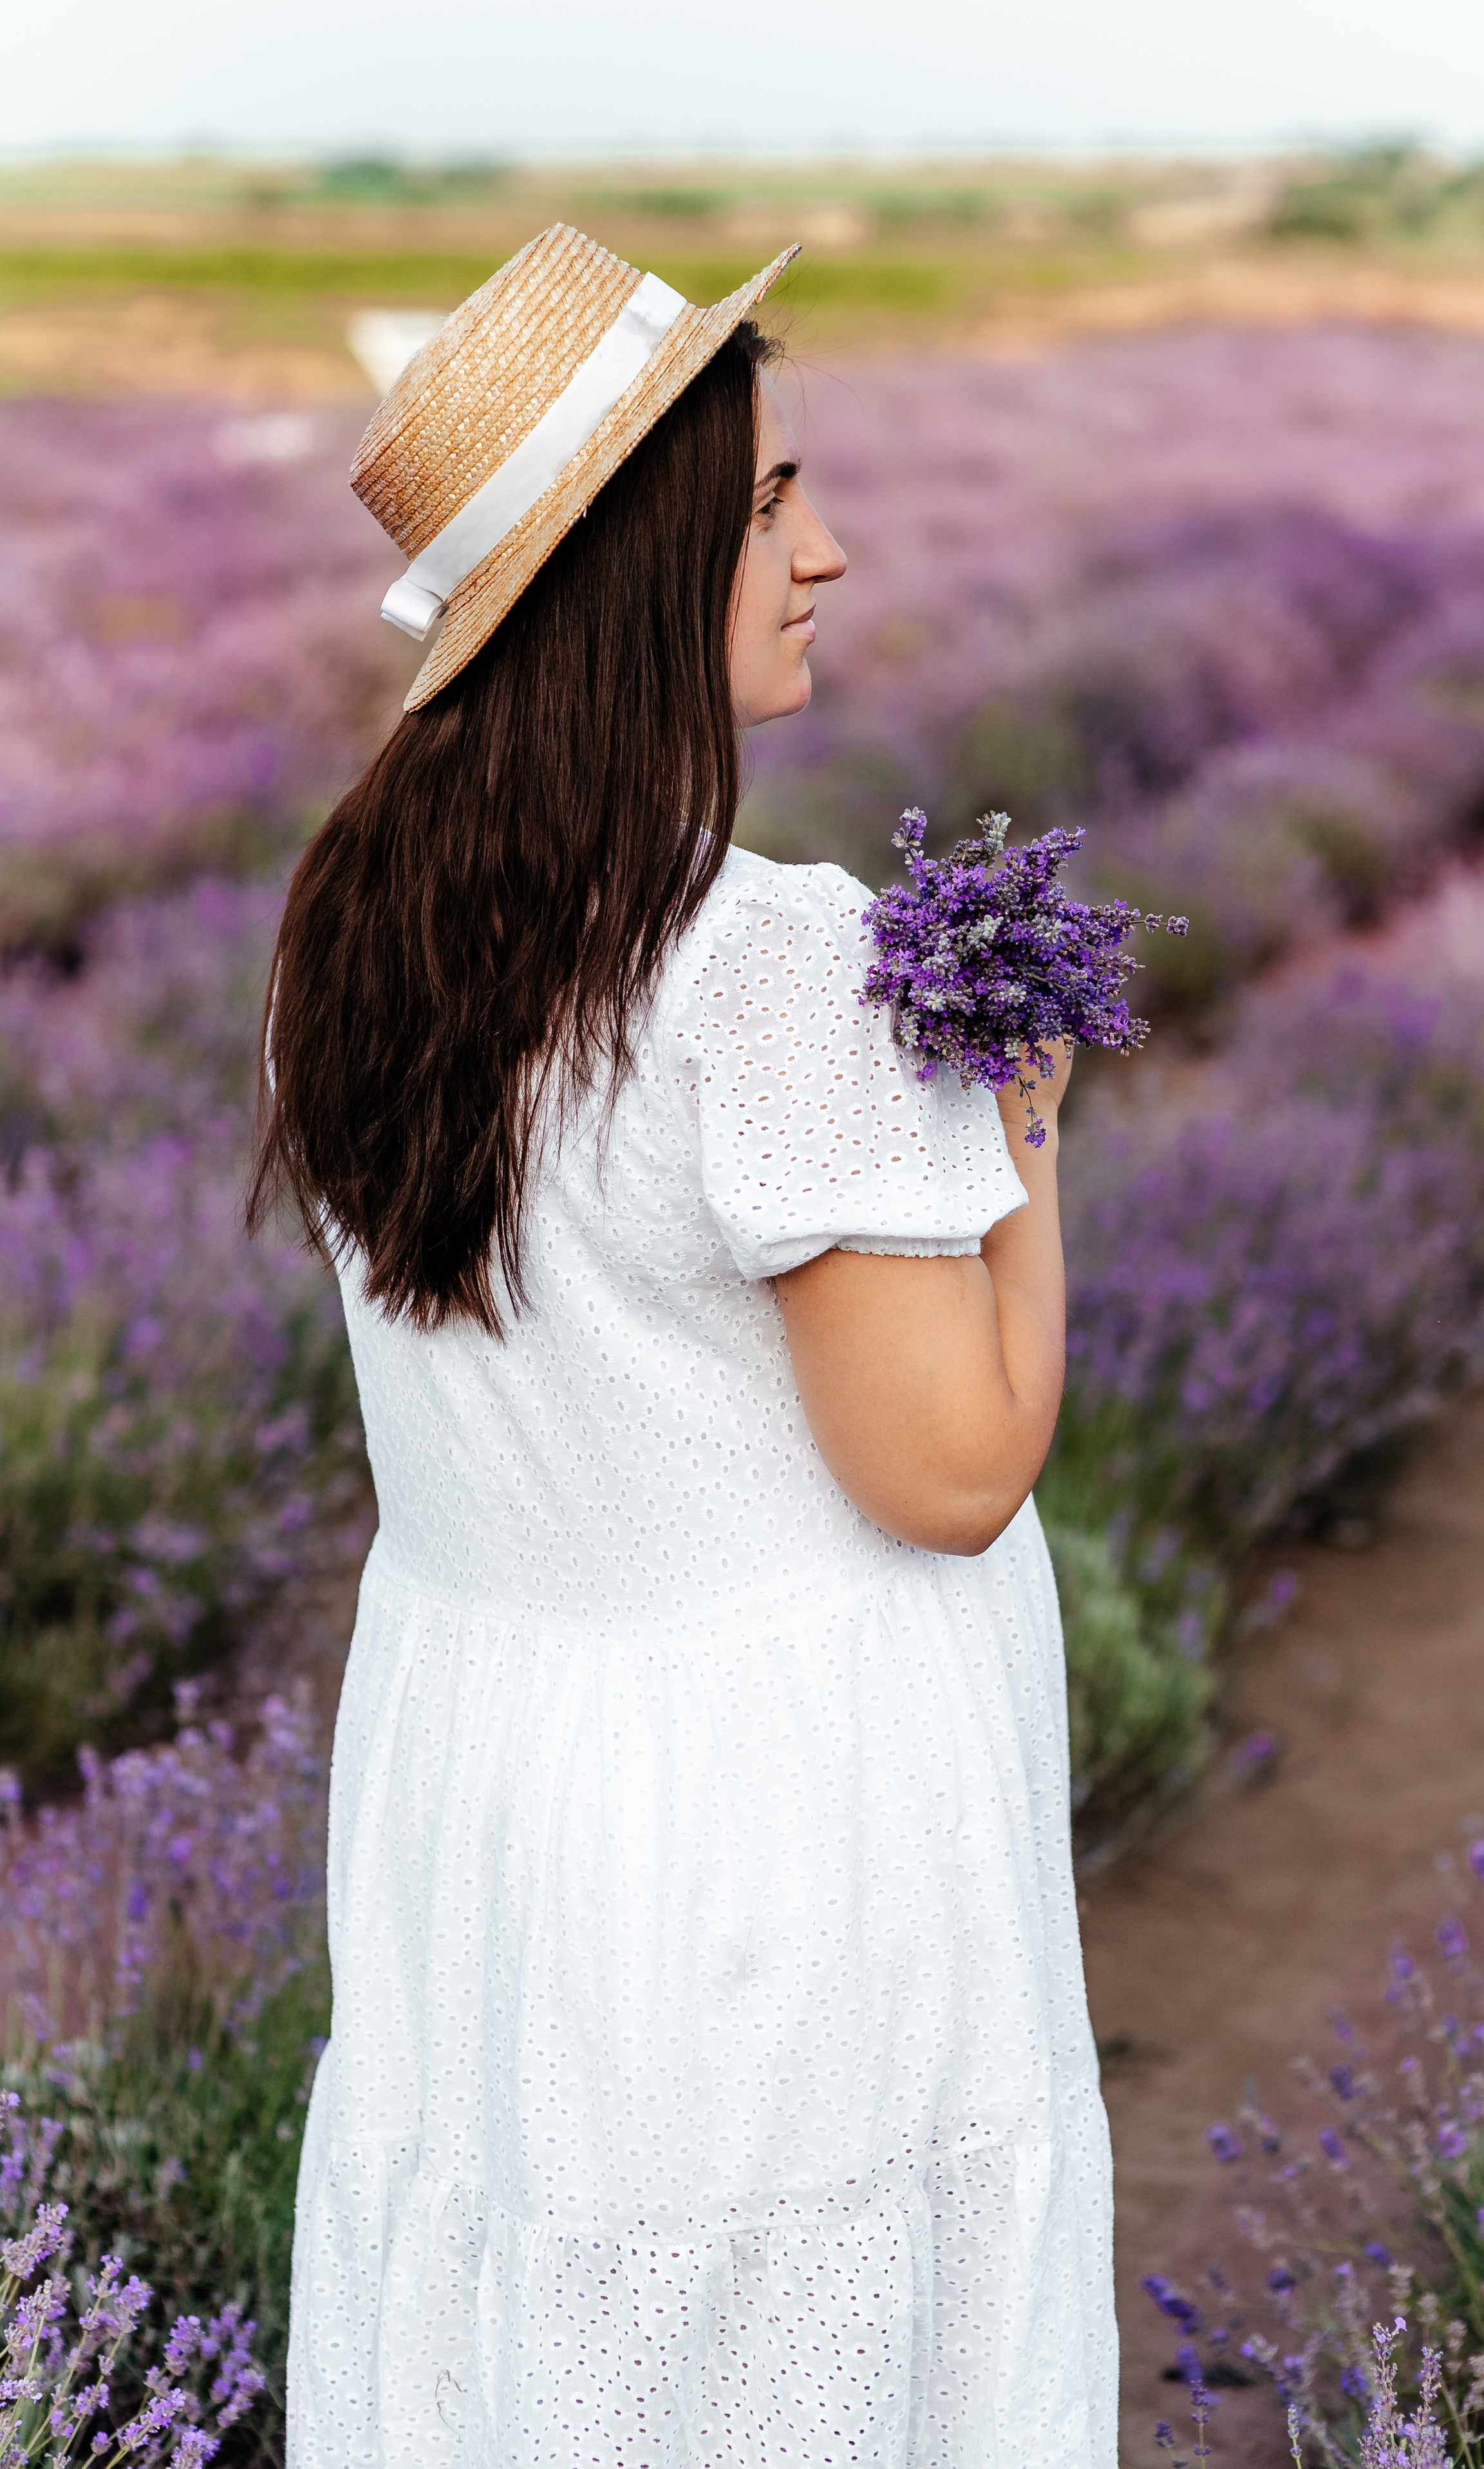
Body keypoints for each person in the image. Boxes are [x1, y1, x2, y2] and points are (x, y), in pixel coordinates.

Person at [252, 223, 1117, 2464]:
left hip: (490, 1788)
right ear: (629, 577)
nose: (827, 553)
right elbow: (954, 1470)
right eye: (767, 507)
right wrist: (1022, 1144)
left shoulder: (350, 930)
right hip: (771, 1826)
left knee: (540, 2332)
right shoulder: (773, 964)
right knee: (795, 2340)